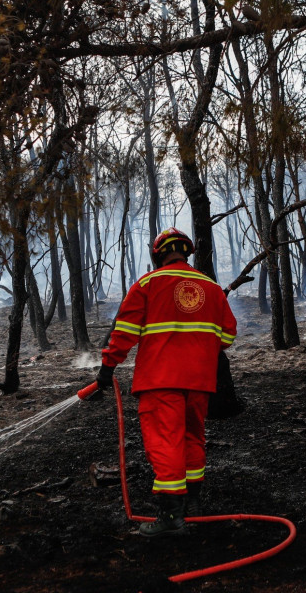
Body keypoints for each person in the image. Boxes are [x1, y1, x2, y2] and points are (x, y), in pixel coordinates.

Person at [94, 228, 237, 536]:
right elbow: (227, 336)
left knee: (164, 442)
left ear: (157, 255)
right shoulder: (210, 287)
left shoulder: (148, 284)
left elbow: (124, 334)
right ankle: (192, 506)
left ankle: (172, 519)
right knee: (192, 438)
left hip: (160, 380)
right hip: (199, 381)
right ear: (185, 253)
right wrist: (198, 346)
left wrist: (107, 369)